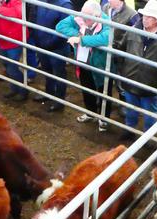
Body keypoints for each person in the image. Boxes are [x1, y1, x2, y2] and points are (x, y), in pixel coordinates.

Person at [117, 0, 157, 139]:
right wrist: (124, 71)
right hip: (130, 79)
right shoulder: (132, 31)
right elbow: (121, 50)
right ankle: (129, 128)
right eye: (144, 15)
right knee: (131, 108)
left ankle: (148, 137)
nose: (145, 19)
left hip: (151, 84)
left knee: (150, 113)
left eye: (150, 17)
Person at [56, 0, 112, 132]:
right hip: (83, 60)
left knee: (104, 92)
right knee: (87, 87)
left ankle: (104, 119)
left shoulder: (106, 22)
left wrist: (81, 40)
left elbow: (106, 38)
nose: (83, 19)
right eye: (83, 15)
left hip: (101, 64)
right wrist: (78, 34)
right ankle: (90, 112)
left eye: (87, 17)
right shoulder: (80, 16)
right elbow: (60, 26)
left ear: (97, 16)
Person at [30, 0, 73, 111]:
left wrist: (50, 43)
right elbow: (33, 17)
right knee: (47, 70)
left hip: (57, 48)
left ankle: (59, 101)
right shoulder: (41, 1)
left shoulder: (65, 5)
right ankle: (49, 93)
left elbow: (65, 29)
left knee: (59, 74)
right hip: (41, 44)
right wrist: (35, 37)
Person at [102, 0, 139, 116]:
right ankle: (104, 98)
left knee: (120, 78)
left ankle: (123, 104)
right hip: (105, 47)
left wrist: (124, 47)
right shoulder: (105, 7)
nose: (108, 0)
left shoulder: (132, 14)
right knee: (104, 74)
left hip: (120, 50)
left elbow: (136, 34)